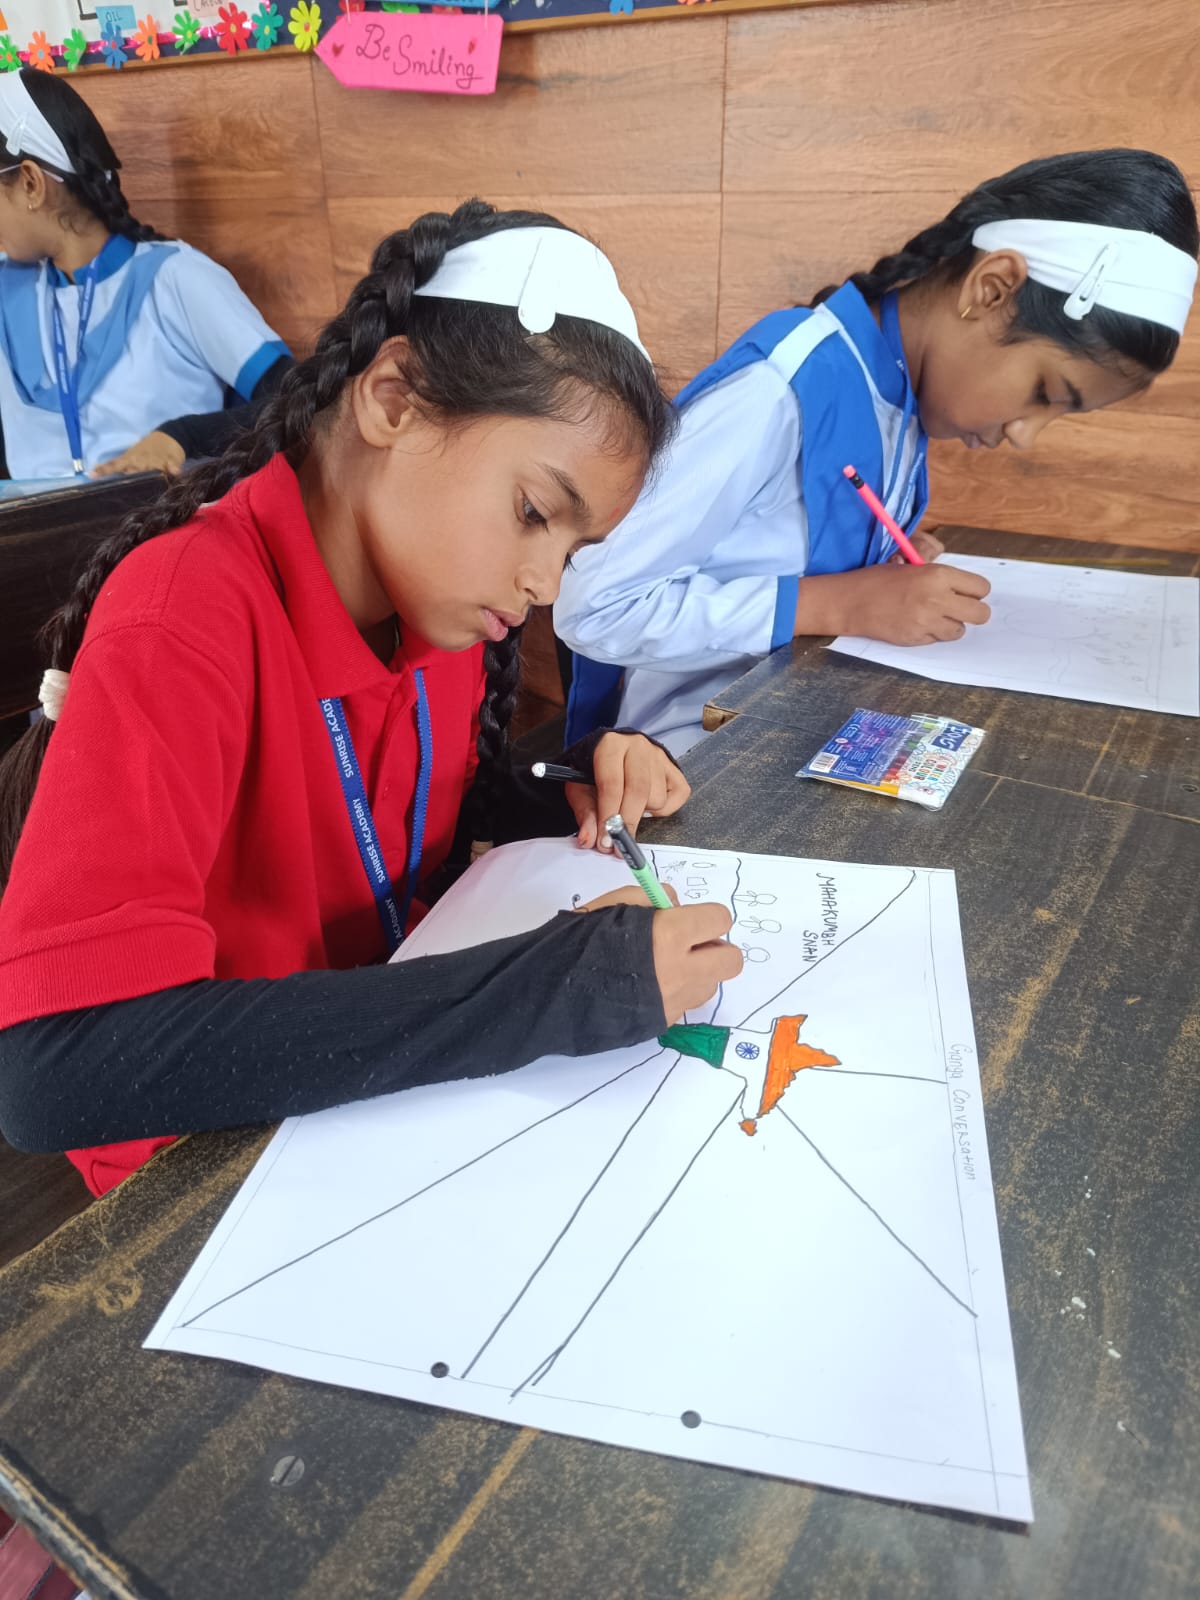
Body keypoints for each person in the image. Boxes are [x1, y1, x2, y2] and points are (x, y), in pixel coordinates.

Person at [0, 200, 743, 1196]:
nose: (545, 584)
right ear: (393, 399)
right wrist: (540, 991)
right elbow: (54, 1070)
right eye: (533, 512)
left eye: (573, 550)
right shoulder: (183, 616)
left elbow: (423, 814)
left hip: (370, 1096)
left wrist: (566, 778)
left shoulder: (435, 606)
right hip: (213, 1172)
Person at [555, 149, 1199, 754]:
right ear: (991, 289)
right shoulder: (777, 391)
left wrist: (881, 566)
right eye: (1044, 393)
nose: (1026, 434)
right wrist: (844, 602)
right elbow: (596, 608)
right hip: (689, 760)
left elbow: (775, 542)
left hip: (794, 723)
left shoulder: (901, 391)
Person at [0, 67, 291, 483]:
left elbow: (299, 401)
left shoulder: (175, 279)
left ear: (30, 183)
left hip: (165, 520)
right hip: (33, 525)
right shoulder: (8, 289)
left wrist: (183, 437)